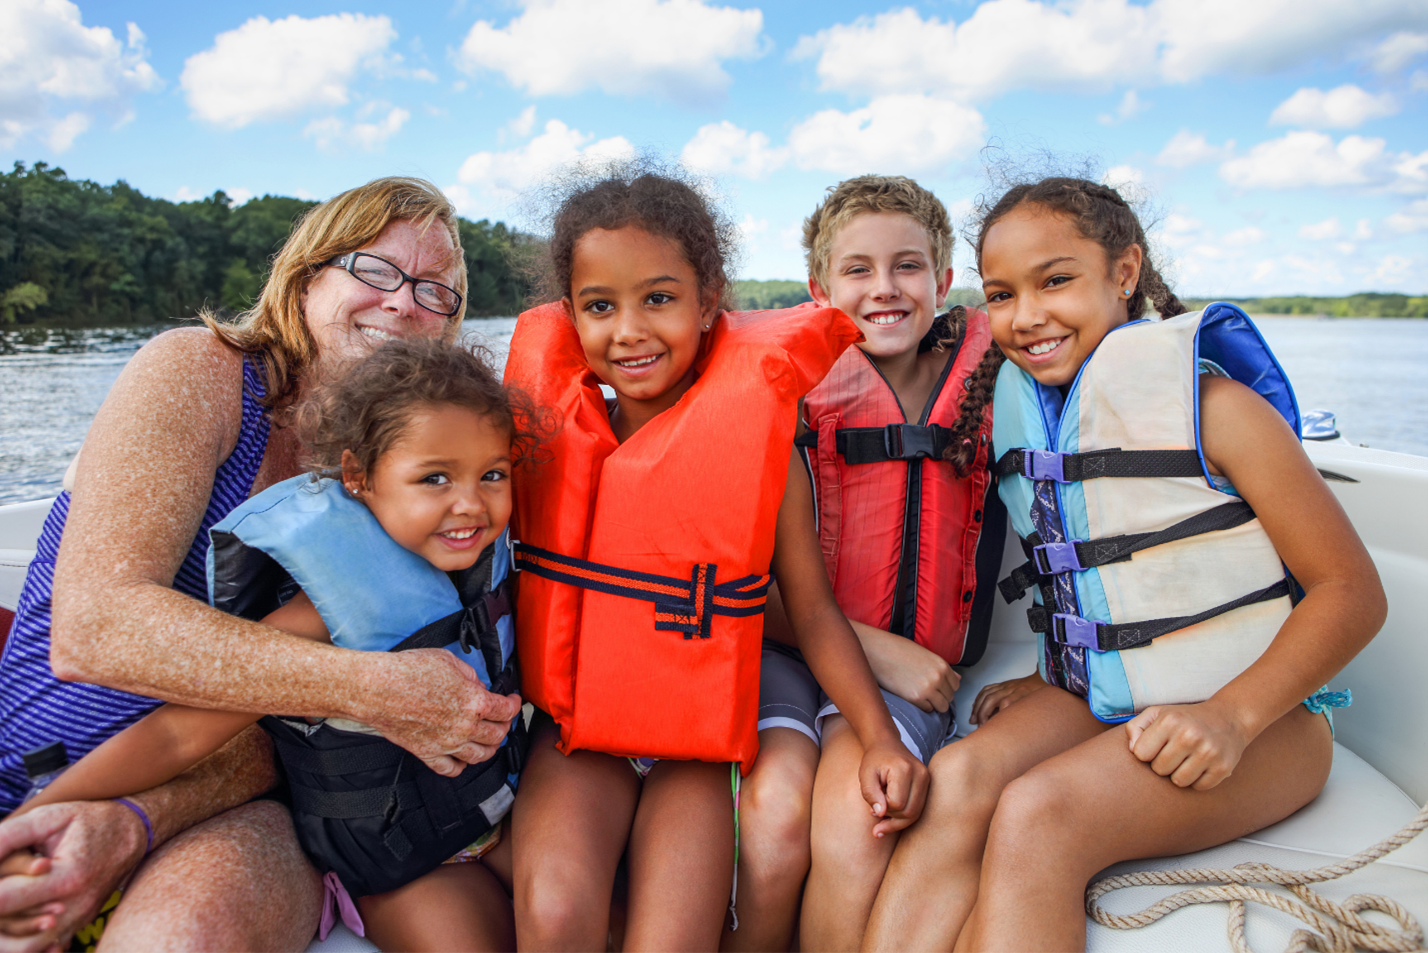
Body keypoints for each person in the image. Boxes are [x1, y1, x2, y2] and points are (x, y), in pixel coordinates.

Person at [861, 176, 1383, 952]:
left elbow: (1353, 593)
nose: (1027, 315)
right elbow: (1097, 578)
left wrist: (1230, 716)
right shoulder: (1031, 420)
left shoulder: (1218, 408)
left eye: (1057, 280)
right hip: (1102, 696)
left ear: (1126, 271)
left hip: (1263, 726)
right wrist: (1049, 673)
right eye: (1001, 294)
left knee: (1039, 815)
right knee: (961, 778)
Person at [0, 177, 521, 951]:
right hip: (44, 770)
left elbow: (279, 743)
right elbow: (96, 629)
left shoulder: (405, 485)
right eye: (374, 270)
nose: (405, 303)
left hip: (229, 800)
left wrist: (135, 818)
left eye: (437, 291)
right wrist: (377, 689)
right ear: (308, 276)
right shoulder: (202, 374)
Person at [502, 164, 929, 951]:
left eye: (658, 299)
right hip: (576, 738)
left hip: (692, 752)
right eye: (601, 306)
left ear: (709, 301)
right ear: (569, 315)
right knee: (557, 916)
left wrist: (877, 736)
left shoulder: (762, 452)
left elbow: (811, 611)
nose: (628, 331)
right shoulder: (537, 440)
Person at [726, 175, 1005, 953]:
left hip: (902, 683)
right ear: (820, 288)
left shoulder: (991, 382)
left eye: (907, 266)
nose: (884, 289)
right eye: (858, 270)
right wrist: (876, 647)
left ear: (944, 281)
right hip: (787, 651)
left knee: (855, 823)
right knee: (775, 813)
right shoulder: (785, 394)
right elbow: (738, 581)